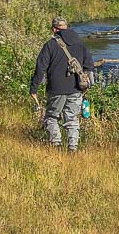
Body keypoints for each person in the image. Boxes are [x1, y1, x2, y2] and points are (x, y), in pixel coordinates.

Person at [29, 17, 95, 151]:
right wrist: (88, 85)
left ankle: (56, 146)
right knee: (72, 120)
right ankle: (73, 149)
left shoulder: (50, 45)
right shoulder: (80, 44)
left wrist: (34, 88)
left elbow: (40, 68)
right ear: (67, 27)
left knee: (51, 118)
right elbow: (89, 66)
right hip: (77, 88)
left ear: (54, 29)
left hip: (56, 89)